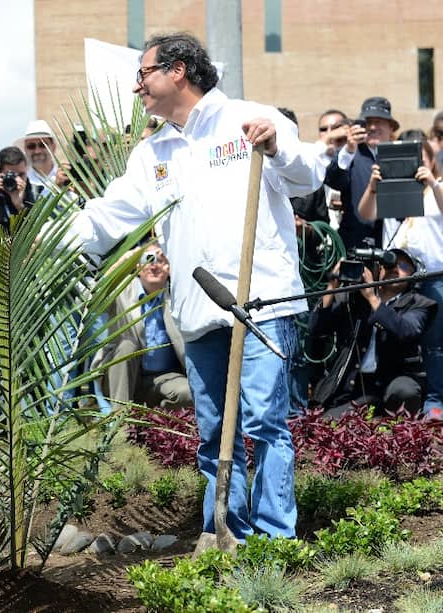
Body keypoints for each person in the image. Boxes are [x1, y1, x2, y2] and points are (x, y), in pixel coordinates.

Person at [65, 32, 324, 540]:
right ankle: (225, 530)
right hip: (198, 309)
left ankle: (275, 540)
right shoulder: (152, 152)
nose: (137, 85)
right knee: (212, 433)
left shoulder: (248, 118)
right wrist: (48, 240)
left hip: (261, 302)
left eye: (143, 74)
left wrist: (274, 146)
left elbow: (310, 173)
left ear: (177, 71)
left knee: (264, 422)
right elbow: (108, 215)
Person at [357, 137, 443, 419]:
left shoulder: (435, 189)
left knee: (435, 345)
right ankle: (399, 397)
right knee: (399, 338)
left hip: (432, 275)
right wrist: (373, 185)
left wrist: (431, 181)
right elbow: (365, 214)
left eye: (421, 158)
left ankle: (435, 401)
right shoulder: (390, 190)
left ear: (431, 161)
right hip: (397, 279)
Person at [309, 249, 437, 417]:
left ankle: (394, 426)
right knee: (329, 424)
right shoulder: (355, 297)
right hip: (355, 385)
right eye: (389, 263)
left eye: (404, 265)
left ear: (415, 274)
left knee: (404, 391)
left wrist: (372, 298)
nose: (395, 268)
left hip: (393, 382)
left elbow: (406, 330)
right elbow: (317, 328)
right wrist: (332, 284)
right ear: (378, 269)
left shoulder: (420, 303)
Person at [99, 244, 192, 411]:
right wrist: (124, 260)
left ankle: (157, 420)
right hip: (123, 377)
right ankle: (120, 422)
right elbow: (90, 299)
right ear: (137, 267)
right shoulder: (122, 290)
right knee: (128, 345)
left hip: (165, 377)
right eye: (147, 259)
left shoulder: (178, 296)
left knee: (188, 393)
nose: (154, 265)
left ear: (170, 268)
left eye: (160, 260)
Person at [325, 97, 399, 250]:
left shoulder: (401, 156)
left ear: (391, 127)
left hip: (395, 246)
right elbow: (334, 180)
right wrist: (349, 150)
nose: (372, 127)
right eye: (367, 122)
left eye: (378, 121)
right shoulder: (350, 153)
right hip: (355, 246)